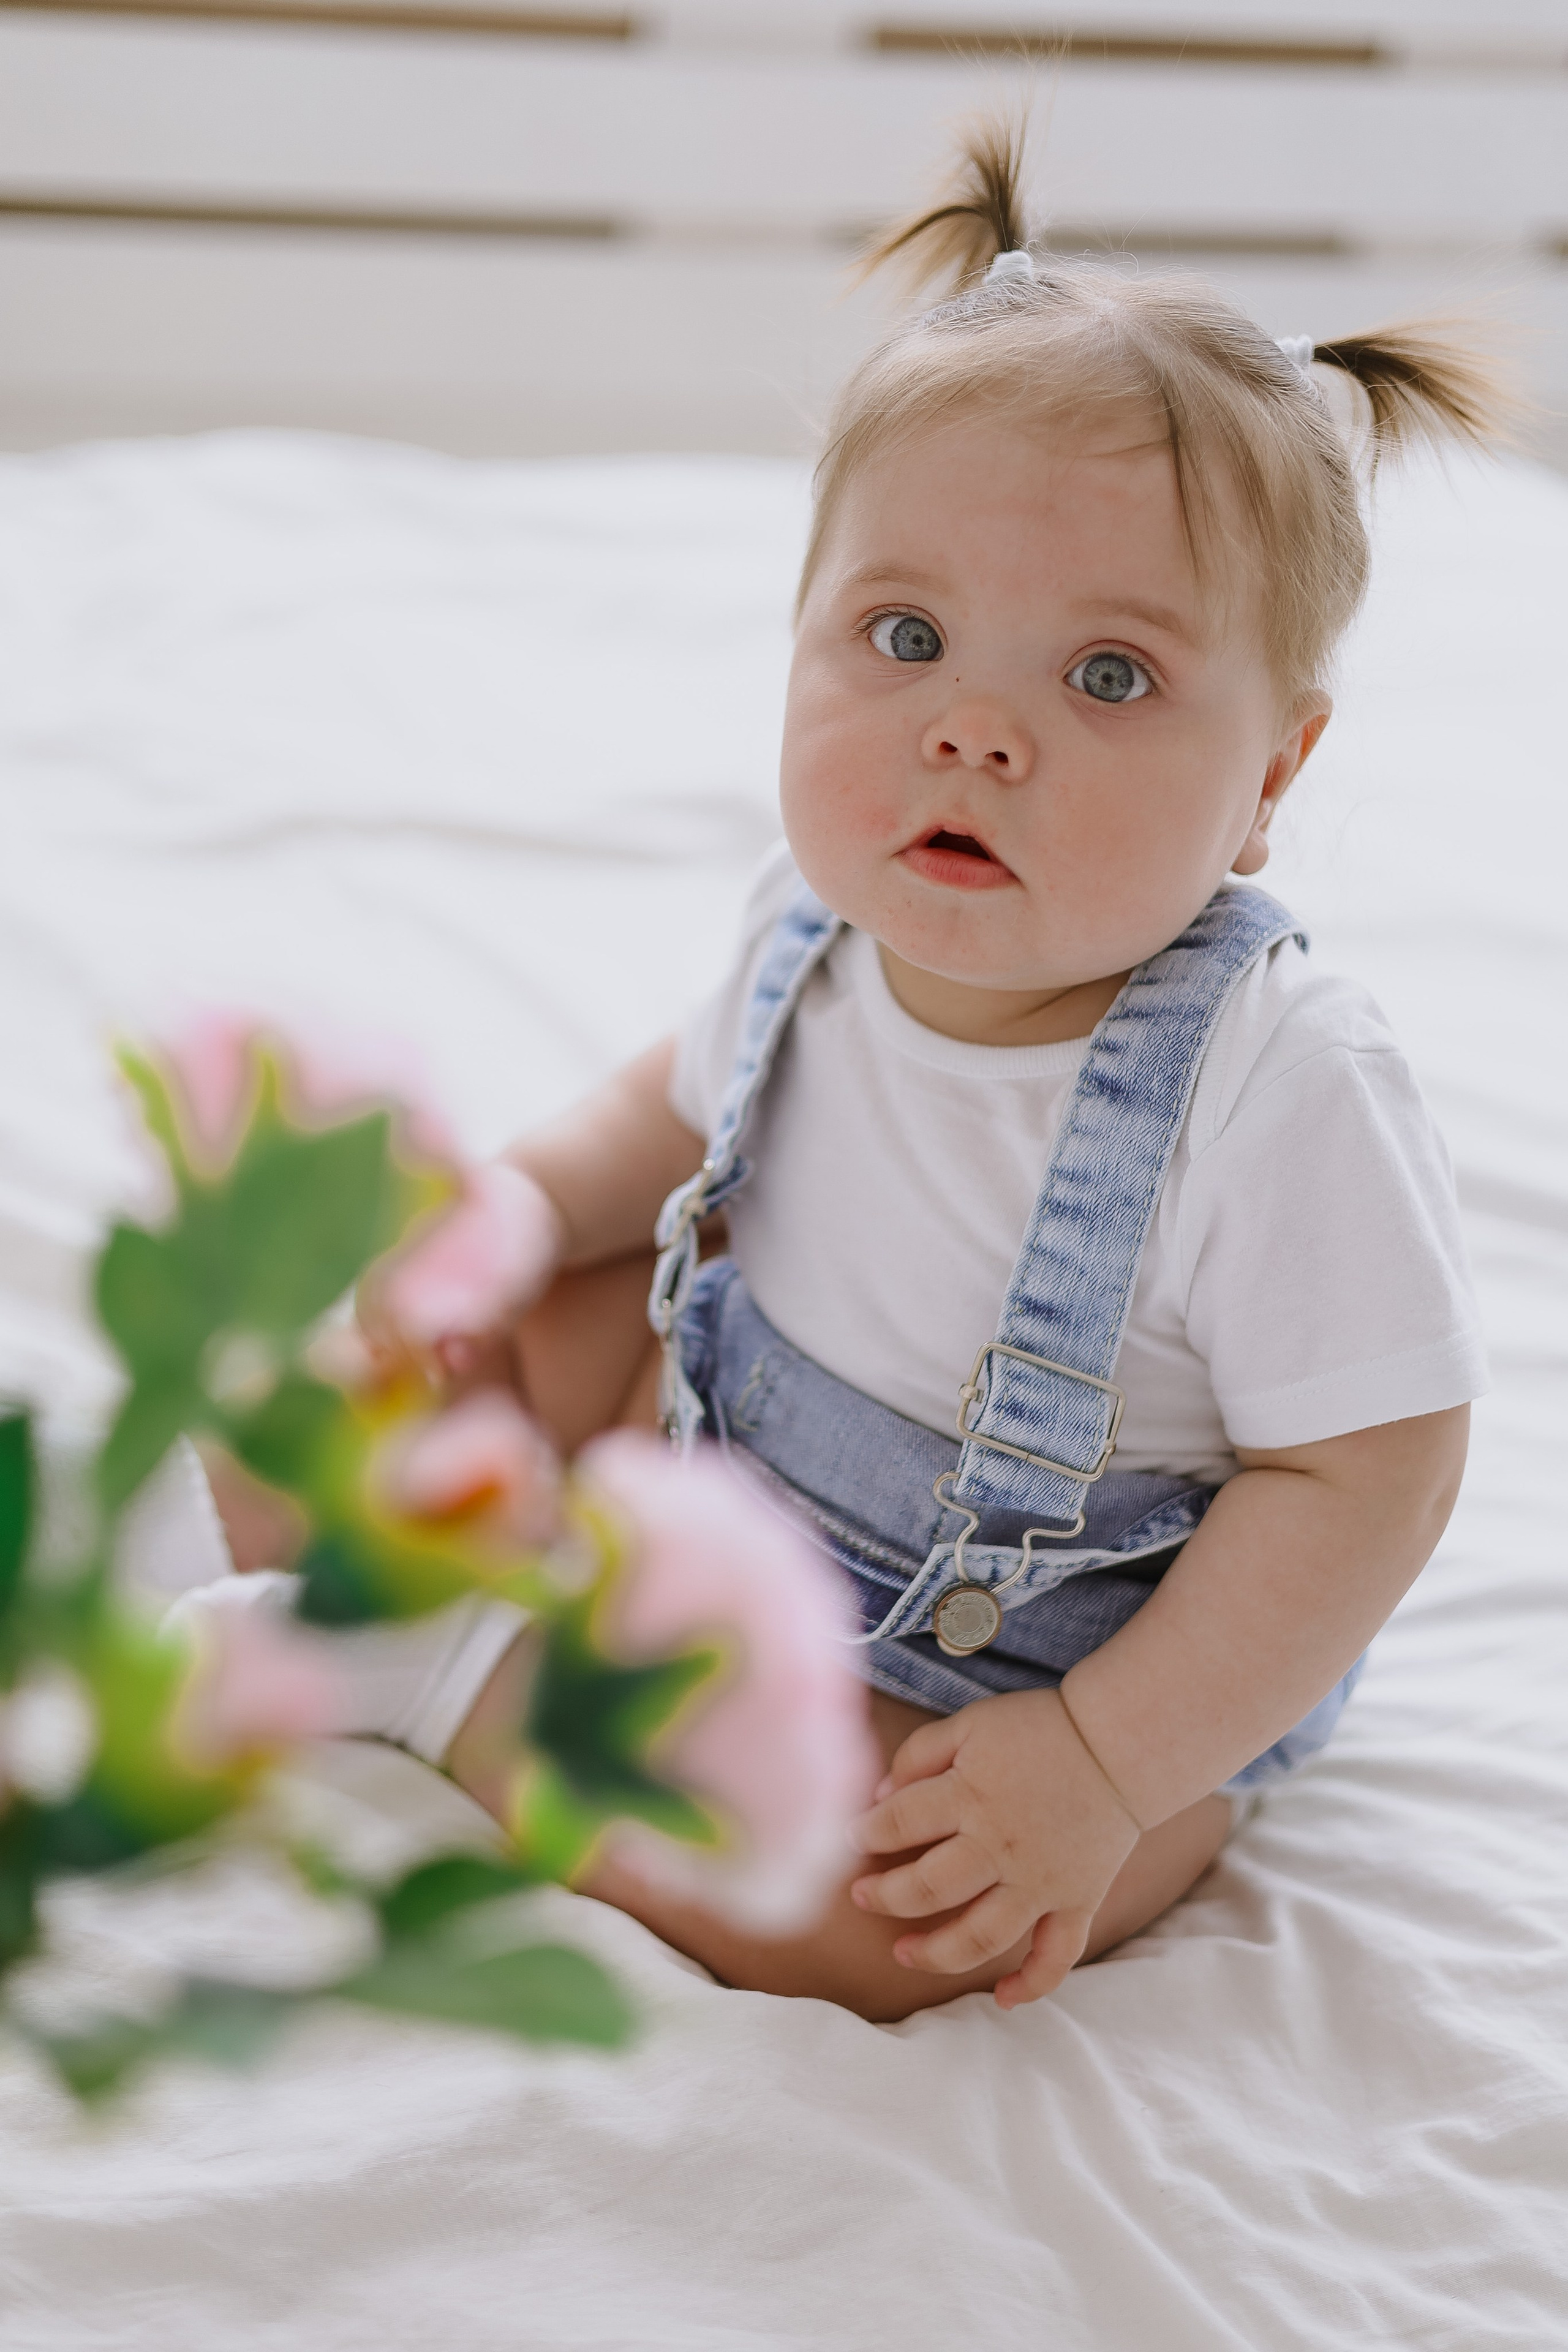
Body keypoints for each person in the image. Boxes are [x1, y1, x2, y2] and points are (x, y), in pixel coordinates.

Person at [225, 123, 1506, 2022]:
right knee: (387, 1368)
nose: (971, 733)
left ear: (1273, 782)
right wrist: (507, 1209)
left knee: (889, 1923)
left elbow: (1374, 1473)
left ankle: (438, 1670)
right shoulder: (827, 913)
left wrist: (1100, 1762)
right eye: (904, 639)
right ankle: (228, 1547)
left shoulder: (1277, 1086)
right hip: (724, 1437)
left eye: (1111, 679)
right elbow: (690, 1103)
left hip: (1021, 1679)